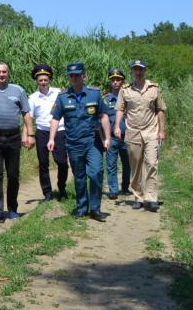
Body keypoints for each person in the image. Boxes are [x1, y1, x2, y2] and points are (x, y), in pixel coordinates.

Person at [48, 62, 111, 222]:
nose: (74, 78)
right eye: (71, 75)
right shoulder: (62, 97)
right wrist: (51, 138)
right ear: (69, 77)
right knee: (79, 177)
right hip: (73, 143)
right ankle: (82, 208)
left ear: (84, 75)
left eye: (78, 75)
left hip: (92, 142)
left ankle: (95, 209)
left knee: (96, 173)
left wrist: (108, 138)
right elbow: (55, 118)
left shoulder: (95, 94)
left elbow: (103, 116)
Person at [0, 61, 33, 223]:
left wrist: (30, 134)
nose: (1, 75)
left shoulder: (18, 90)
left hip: (14, 138)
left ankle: (12, 209)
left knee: (13, 175)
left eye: (4, 72)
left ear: (8, 73)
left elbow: (26, 113)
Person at [113, 60, 167, 213]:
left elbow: (161, 110)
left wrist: (161, 131)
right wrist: (117, 126)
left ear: (145, 71)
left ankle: (151, 198)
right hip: (133, 132)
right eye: (135, 69)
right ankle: (138, 196)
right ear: (132, 72)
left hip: (151, 131)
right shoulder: (126, 90)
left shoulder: (154, 89)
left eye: (141, 69)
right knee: (135, 166)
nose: (138, 72)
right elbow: (119, 109)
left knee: (151, 163)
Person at [27, 64, 69, 202]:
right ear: (36, 81)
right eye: (40, 80)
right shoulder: (33, 98)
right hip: (42, 132)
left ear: (49, 79)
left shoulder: (59, 93)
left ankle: (62, 188)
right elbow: (29, 118)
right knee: (43, 163)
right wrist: (27, 135)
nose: (43, 82)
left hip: (60, 131)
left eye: (45, 80)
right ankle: (47, 193)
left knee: (62, 162)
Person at [103, 68, 131, 200]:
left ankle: (125, 188)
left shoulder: (129, 98)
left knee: (128, 164)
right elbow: (101, 119)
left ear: (122, 81)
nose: (115, 82)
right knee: (111, 165)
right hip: (112, 138)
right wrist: (104, 138)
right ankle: (113, 190)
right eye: (113, 80)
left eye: (118, 79)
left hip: (128, 137)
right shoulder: (105, 99)